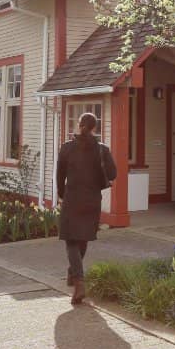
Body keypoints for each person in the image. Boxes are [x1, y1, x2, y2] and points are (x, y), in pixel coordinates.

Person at [56, 112, 116, 305]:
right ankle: (74, 274)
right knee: (81, 238)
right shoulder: (102, 150)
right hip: (92, 200)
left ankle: (79, 281)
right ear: (95, 128)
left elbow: (59, 176)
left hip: (72, 197)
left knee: (71, 239)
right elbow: (113, 173)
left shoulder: (66, 148)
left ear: (79, 125)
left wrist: (61, 194)